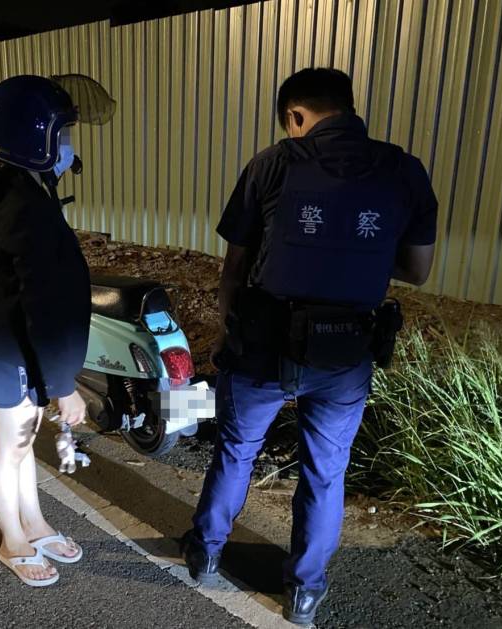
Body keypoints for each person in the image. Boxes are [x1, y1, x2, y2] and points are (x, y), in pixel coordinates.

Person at [180, 68, 438, 625]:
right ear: (347, 107)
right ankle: (304, 592)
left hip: (262, 346)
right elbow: (418, 270)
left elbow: (235, 268)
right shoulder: (404, 170)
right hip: (345, 352)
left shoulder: (272, 164)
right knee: (325, 472)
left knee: (237, 450)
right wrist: (360, 252)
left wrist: (226, 331)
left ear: (295, 116)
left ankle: (205, 553)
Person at [0, 75, 91, 587]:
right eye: (62, 135)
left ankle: (35, 524)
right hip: (11, 351)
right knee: (9, 449)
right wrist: (64, 387)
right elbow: (41, 305)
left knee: (23, 444)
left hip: (23, 347)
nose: (68, 146)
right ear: (34, 139)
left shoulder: (26, 192)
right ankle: (12, 540)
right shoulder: (26, 207)